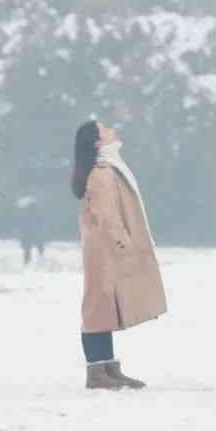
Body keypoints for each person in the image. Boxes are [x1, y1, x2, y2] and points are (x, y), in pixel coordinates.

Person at [72, 118, 166, 391]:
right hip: (105, 249)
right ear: (98, 142)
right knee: (97, 308)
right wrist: (123, 245)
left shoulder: (109, 167)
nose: (111, 129)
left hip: (107, 247)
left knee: (106, 308)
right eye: (104, 129)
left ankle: (108, 366)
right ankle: (97, 371)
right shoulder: (102, 172)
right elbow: (107, 215)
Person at [16, 169, 45, 266]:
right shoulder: (29, 198)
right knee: (31, 240)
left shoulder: (29, 199)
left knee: (32, 240)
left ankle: (35, 258)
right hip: (30, 220)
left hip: (31, 220)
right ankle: (32, 259)